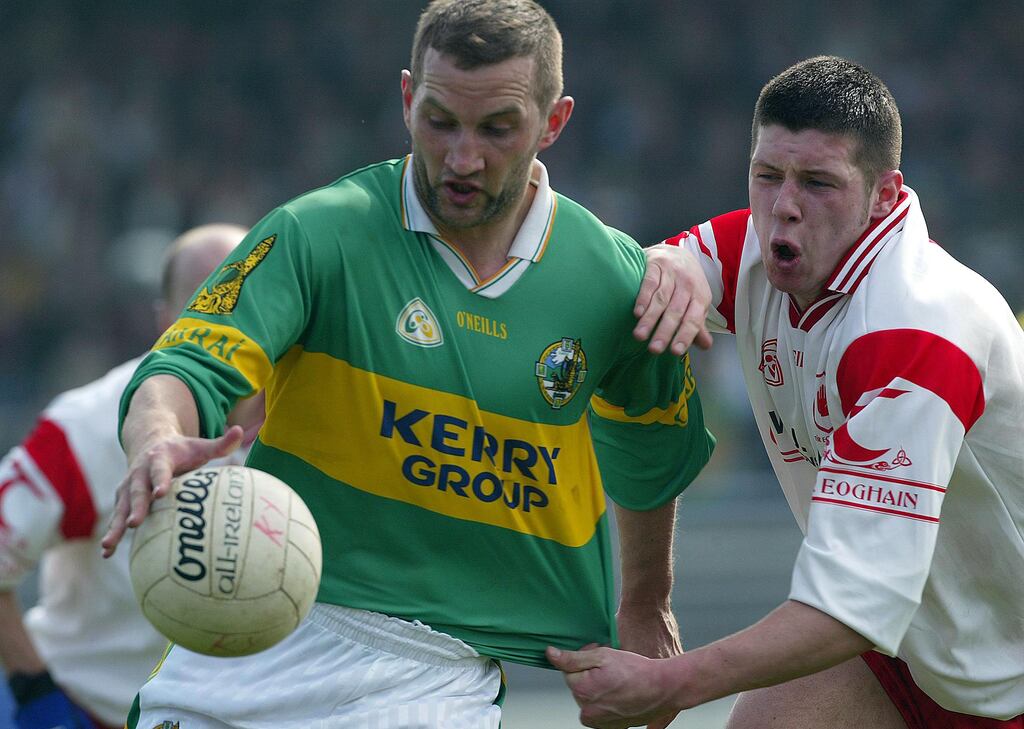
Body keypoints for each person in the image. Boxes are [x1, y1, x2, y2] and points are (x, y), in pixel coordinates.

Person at [100, 2, 715, 727]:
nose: (461, 157)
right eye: (439, 120)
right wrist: (156, 434)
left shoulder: (612, 279)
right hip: (247, 633)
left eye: (497, 129)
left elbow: (647, 442)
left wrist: (646, 603)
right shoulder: (319, 230)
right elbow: (190, 363)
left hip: (434, 673)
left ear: (553, 122)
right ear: (405, 98)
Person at [549, 55, 1024, 728]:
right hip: (902, 654)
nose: (784, 209)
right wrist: (645, 600)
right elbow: (648, 302)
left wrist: (672, 680)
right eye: (768, 176)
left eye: (819, 183)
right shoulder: (760, 251)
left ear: (884, 194)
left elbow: (850, 609)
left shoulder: (919, 330)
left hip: (1007, 675)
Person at [0, 224, 259, 729]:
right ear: (165, 322)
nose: (225, 328)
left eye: (242, 305)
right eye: (203, 309)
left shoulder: (324, 426)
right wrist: (36, 692)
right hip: (88, 711)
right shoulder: (87, 428)